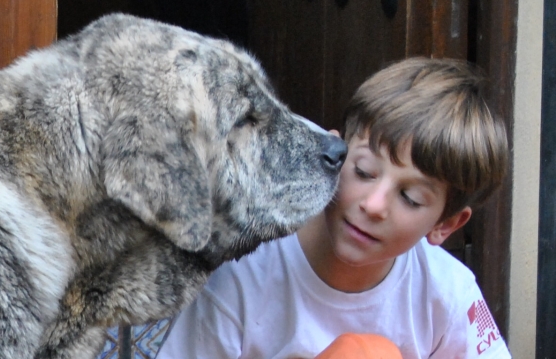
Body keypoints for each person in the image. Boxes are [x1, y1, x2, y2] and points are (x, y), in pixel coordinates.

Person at [156, 57, 512, 358]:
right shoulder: (245, 271)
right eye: (363, 171)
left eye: (410, 198)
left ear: (446, 224)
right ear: (332, 156)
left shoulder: (446, 293)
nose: (373, 205)